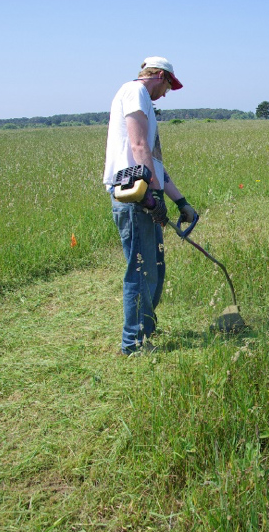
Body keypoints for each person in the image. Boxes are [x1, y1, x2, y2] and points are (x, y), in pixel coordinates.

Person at [103, 56, 196, 356]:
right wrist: (153, 197)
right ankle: (133, 343)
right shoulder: (135, 92)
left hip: (147, 194)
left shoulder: (146, 104)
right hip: (135, 196)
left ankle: (146, 330)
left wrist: (180, 201)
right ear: (158, 75)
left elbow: (154, 163)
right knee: (140, 270)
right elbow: (138, 147)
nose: (167, 92)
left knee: (155, 269)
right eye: (169, 84)